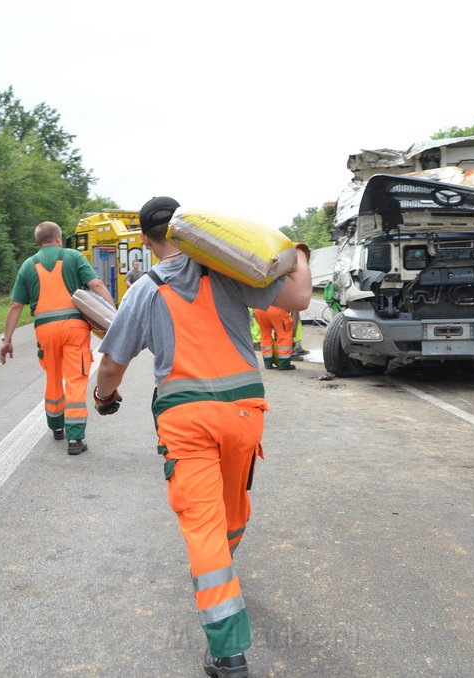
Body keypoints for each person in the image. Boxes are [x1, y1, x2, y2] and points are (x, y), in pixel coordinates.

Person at [93, 196, 311, 677]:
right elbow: (298, 299)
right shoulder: (229, 272)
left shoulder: (144, 290)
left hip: (186, 422)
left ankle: (228, 652)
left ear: (147, 241)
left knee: (204, 530)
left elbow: (111, 365)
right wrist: (297, 251)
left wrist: (104, 399)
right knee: (232, 513)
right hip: (243, 413)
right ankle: (224, 577)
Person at [0, 221, 113, 455]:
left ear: (38, 242)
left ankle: (56, 427)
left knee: (53, 377)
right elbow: (97, 284)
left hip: (45, 331)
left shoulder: (28, 266)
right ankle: (75, 438)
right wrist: (114, 315)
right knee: (75, 378)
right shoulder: (72, 256)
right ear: (58, 239)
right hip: (74, 328)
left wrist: (7, 339)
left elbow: (15, 305)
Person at [253, 305, 296, 370]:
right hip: (276, 309)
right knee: (284, 335)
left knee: (265, 335)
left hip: (259, 309)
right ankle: (284, 363)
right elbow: (295, 311)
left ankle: (268, 362)